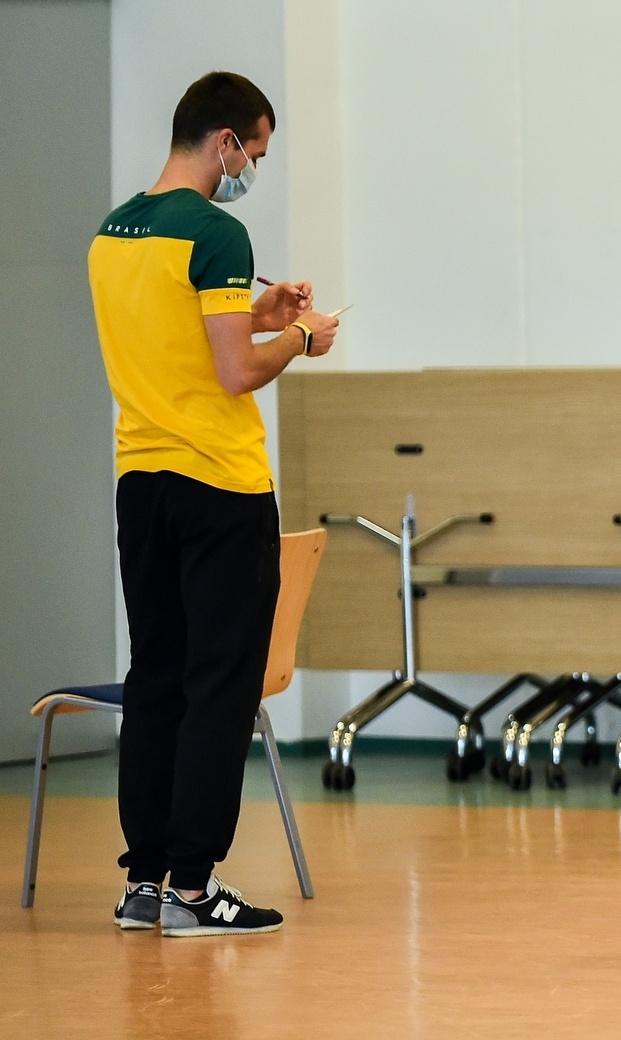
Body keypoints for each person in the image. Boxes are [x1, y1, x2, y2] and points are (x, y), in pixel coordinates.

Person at [87, 71, 339, 936]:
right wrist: (301, 338)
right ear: (226, 139)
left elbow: (187, 343)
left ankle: (146, 883)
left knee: (154, 677)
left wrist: (261, 312)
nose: (251, 169)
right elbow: (233, 374)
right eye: (254, 152)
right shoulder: (217, 230)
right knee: (220, 687)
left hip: (141, 485)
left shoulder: (111, 234)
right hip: (221, 489)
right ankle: (197, 888)